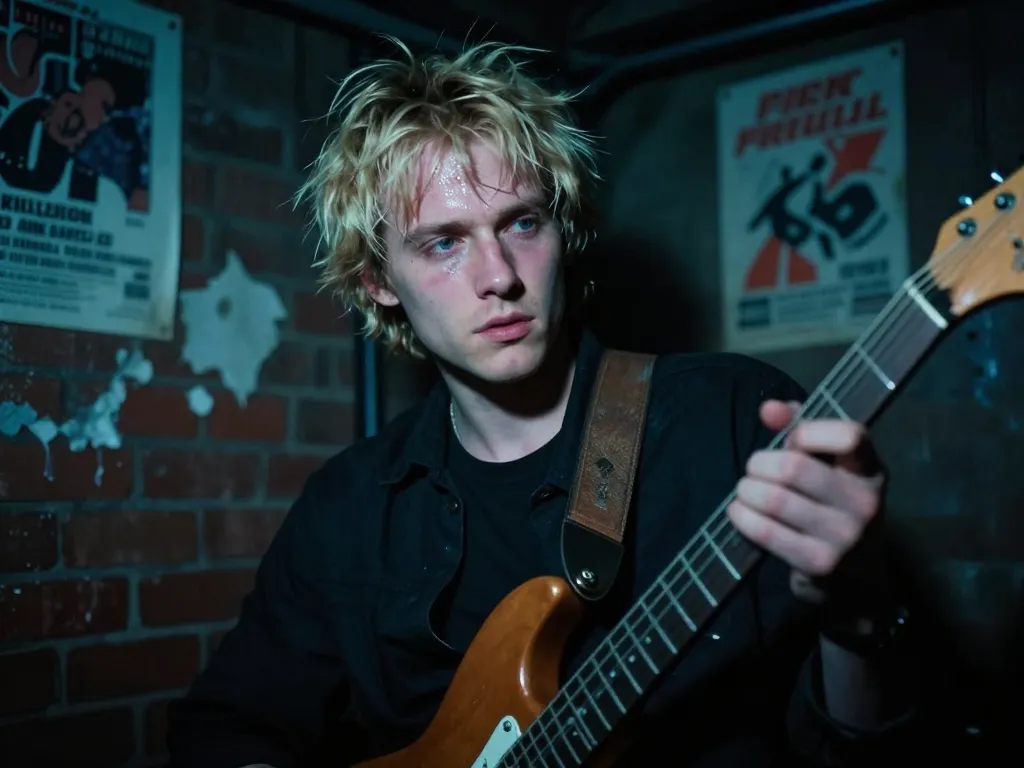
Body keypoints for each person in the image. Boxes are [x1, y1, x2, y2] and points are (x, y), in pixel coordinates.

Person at [167, 39, 920, 767]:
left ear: (562, 231)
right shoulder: (351, 507)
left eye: (521, 222)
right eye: (443, 243)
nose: (499, 275)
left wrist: (857, 613)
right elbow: (227, 726)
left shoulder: (732, 418)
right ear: (379, 282)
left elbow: (867, 747)